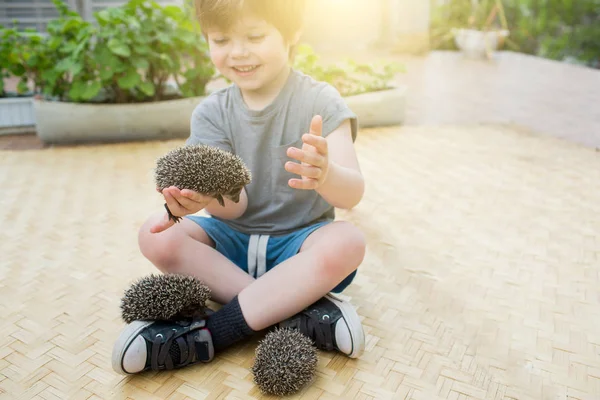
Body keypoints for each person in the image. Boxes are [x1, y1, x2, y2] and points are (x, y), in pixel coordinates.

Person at [112, 0, 367, 374]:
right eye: (221, 39)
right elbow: (236, 208)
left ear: (292, 33)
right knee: (155, 234)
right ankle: (296, 309)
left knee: (348, 241)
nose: (238, 52)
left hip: (300, 247)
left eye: (255, 36)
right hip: (230, 246)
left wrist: (326, 175)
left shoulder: (320, 101)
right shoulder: (212, 113)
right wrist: (199, 198)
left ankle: (213, 334)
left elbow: (353, 194)